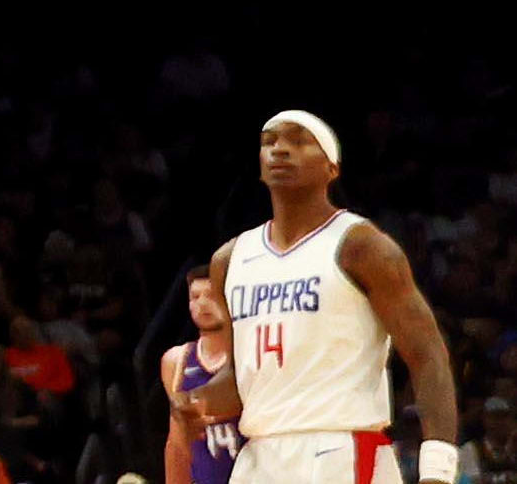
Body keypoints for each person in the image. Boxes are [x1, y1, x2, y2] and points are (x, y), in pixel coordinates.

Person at [189, 113, 459, 484]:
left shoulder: (362, 247)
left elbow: (427, 353)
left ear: (331, 167)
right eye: (269, 142)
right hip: (259, 457)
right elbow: (241, 379)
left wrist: (437, 469)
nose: (280, 150)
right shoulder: (230, 259)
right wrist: (195, 402)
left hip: (342, 450)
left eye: (298, 141)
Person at [160, 269, 237, 484]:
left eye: (210, 295)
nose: (202, 303)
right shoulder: (176, 360)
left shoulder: (249, 353)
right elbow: (176, 445)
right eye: (195, 296)